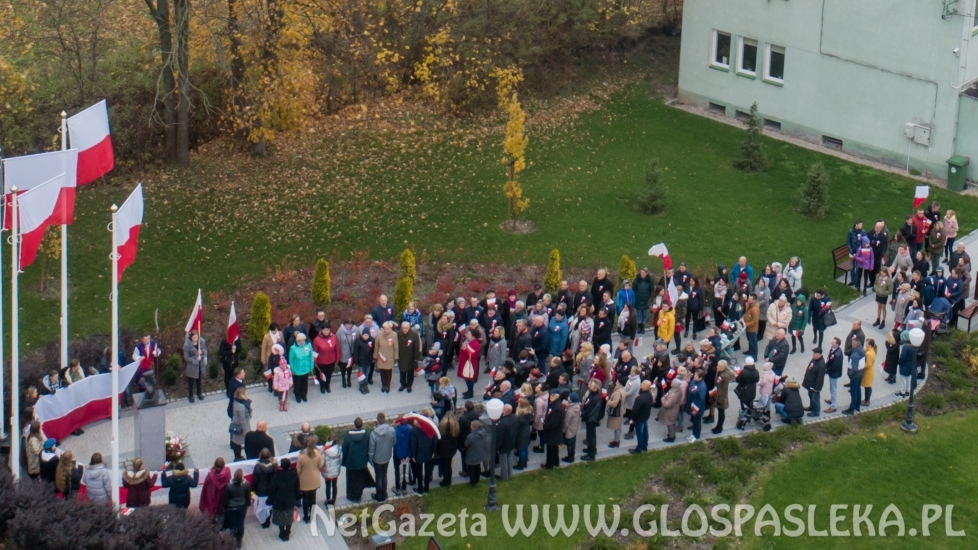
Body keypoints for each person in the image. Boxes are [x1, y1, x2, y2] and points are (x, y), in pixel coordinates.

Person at [269, 457, 300, 541]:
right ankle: (287, 532)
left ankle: (282, 532)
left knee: (281, 517)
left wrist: (269, 500)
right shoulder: (294, 475)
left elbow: (272, 489)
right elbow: (297, 488)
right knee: (289, 516)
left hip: (279, 500)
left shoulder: (277, 476)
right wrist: (297, 497)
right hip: (290, 499)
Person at [369, 412, 396, 502]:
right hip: (387, 456)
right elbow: (394, 442)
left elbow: (371, 449)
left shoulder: (374, 434)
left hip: (377, 458)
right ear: (385, 419)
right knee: (384, 475)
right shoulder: (391, 430)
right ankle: (384, 493)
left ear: (377, 421)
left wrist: (370, 460)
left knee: (379, 476)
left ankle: (379, 495)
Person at [222, 469, 252, 548]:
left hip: (231, 508)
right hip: (242, 507)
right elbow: (248, 496)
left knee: (232, 525)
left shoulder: (229, 485)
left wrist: (224, 507)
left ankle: (233, 541)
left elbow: (226, 498)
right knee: (240, 524)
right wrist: (248, 504)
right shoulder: (247, 484)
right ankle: (239, 542)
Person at [342, 417, 370, 502]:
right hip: (362, 461)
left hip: (351, 462)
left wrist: (344, 461)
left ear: (354, 425)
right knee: (360, 479)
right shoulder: (366, 434)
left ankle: (351, 495)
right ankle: (358, 496)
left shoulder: (348, 436)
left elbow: (344, 449)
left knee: (351, 479)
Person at [297, 437, 323, 523]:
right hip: (314, 479)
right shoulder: (318, 454)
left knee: (305, 498)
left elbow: (298, 469)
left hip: (304, 480)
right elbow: (320, 466)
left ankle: (306, 516)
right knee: (313, 497)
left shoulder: (301, 456)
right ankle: (312, 515)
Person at [410, 412, 437, 494]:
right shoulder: (432, 428)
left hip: (419, 453)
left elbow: (413, 444)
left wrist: (413, 455)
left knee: (419, 471)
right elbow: (435, 440)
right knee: (428, 471)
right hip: (429, 452)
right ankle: (426, 487)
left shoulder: (415, 430)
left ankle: (420, 488)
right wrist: (434, 451)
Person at [199, 457, 231, 522]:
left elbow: (205, 489)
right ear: (223, 465)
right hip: (223, 496)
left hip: (213, 497)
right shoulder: (227, 473)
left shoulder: (210, 476)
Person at [252, 449, 278, 528]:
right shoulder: (274, 465)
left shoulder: (257, 466)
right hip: (271, 489)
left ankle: (263, 522)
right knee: (269, 506)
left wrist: (253, 489)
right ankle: (268, 520)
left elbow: (255, 479)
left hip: (261, 490)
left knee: (261, 506)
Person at [540, 391, 565, 469]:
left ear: (557, 396)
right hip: (552, 431)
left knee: (551, 448)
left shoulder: (557, 408)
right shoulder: (553, 404)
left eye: (553, 395)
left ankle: (549, 465)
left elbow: (554, 423)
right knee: (554, 447)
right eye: (550, 395)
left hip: (553, 432)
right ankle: (555, 462)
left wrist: (545, 425)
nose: (551, 397)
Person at [313, 322, 339, 394]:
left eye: (327, 329)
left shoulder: (334, 337)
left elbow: (337, 348)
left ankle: (327, 385)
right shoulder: (317, 339)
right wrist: (315, 361)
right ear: (321, 330)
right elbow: (315, 352)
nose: (326, 331)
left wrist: (337, 358)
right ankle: (322, 386)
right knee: (322, 375)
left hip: (331, 360)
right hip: (321, 361)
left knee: (329, 374)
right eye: (324, 330)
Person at [842, 336, 866, 416]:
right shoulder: (861, 350)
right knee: (858, 390)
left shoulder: (855, 354)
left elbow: (854, 368)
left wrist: (850, 374)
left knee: (854, 392)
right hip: (860, 374)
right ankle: (857, 405)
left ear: (855, 345)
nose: (851, 344)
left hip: (855, 375)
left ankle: (851, 409)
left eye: (852, 343)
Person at [374, 321, 400, 393]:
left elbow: (396, 347)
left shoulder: (394, 335)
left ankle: (388, 385)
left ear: (390, 328)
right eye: (385, 329)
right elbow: (376, 346)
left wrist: (396, 356)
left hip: (389, 356)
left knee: (388, 372)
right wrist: (375, 356)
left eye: (388, 329)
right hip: (381, 356)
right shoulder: (379, 334)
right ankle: (383, 385)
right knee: (382, 372)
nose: (386, 330)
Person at [396, 321, 421, 393]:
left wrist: (416, 359)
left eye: (406, 328)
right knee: (402, 371)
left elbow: (417, 347)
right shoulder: (398, 334)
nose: (404, 329)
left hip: (410, 356)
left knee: (410, 372)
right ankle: (403, 384)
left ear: (409, 328)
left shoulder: (414, 334)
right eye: (403, 328)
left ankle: (409, 385)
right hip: (401, 356)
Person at [629, 380, 654, 452]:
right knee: (645, 431)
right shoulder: (649, 395)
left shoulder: (640, 398)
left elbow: (635, 410)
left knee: (639, 433)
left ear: (645, 386)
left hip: (639, 418)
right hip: (645, 416)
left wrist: (632, 418)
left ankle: (639, 448)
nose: (641, 384)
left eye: (642, 384)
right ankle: (645, 445)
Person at [289, 332, 314, 403]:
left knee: (305, 383)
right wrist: (292, 369)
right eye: (300, 340)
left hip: (306, 369)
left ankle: (304, 395)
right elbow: (291, 359)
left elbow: (311, 356)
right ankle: (298, 396)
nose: (301, 342)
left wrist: (311, 366)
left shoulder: (308, 345)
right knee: (297, 384)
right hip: (297, 369)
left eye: (303, 340)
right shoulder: (293, 348)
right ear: (297, 341)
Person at [711, 360, 735, 434]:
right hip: (721, 394)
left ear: (723, 368)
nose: (717, 367)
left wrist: (719, 398)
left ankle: (719, 427)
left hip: (721, 396)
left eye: (719, 366)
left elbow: (720, 386)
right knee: (721, 411)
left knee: (721, 412)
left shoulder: (723, 376)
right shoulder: (724, 372)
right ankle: (718, 427)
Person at [457, 328, 482, 399]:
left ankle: (471, 392)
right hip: (465, 362)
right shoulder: (468, 341)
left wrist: (466, 348)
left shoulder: (475, 344)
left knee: (469, 378)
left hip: (470, 364)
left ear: (473, 336)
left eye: (469, 334)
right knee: (466, 378)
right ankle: (469, 390)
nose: (467, 335)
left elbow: (472, 355)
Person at [801, 347, 826, 417]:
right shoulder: (815, 359)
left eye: (814, 354)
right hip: (810, 384)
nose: (813, 355)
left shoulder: (821, 365)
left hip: (814, 386)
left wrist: (816, 388)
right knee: (810, 396)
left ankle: (816, 412)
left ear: (819, 355)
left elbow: (820, 378)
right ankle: (811, 407)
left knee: (815, 398)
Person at [183, 330, 207, 402]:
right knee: (191, 381)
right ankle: (191, 395)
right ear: (191, 338)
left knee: (199, 380)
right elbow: (186, 358)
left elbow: (205, 351)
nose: (196, 339)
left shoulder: (201, 343)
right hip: (192, 366)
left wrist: (201, 352)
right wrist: (196, 358)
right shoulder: (187, 346)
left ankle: (199, 393)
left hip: (200, 365)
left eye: (197, 337)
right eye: (194, 337)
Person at [436, 414, 460, 486]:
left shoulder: (442, 427)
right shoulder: (455, 427)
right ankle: (449, 480)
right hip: (452, 449)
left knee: (445, 465)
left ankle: (446, 481)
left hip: (443, 449)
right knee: (449, 465)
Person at [229, 387, 252, 461]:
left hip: (236, 423)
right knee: (239, 441)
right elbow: (242, 420)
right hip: (241, 426)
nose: (247, 393)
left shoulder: (236, 400)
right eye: (246, 392)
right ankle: (238, 457)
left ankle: (237, 455)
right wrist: (245, 431)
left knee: (236, 441)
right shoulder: (241, 406)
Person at [496, 404, 518, 480]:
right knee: (510, 459)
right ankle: (509, 473)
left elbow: (499, 437)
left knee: (503, 461)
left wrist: (497, 447)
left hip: (504, 445)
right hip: (511, 441)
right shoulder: (514, 417)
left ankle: (504, 477)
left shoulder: (502, 423)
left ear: (505, 411)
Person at [463, 420, 488, 485]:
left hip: (472, 454)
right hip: (480, 452)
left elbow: (466, 444)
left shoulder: (470, 436)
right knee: (477, 466)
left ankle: (473, 482)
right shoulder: (483, 432)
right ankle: (477, 479)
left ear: (473, 427)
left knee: (472, 469)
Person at [686, 371, 707, 443]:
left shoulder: (702, 387)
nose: (694, 377)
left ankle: (696, 436)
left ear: (700, 378)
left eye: (696, 376)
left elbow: (701, 400)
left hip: (697, 408)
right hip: (692, 405)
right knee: (694, 421)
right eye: (695, 375)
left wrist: (696, 410)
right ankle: (693, 434)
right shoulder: (694, 381)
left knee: (697, 422)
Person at [560, 391, 581, 463]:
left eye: (569, 397)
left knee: (569, 444)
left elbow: (566, 422)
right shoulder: (577, 406)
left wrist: (563, 430)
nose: (568, 397)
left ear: (571, 400)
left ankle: (569, 457)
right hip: (574, 428)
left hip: (569, 429)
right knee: (573, 442)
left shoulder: (569, 410)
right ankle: (572, 455)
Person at [606, 380, 627, 448]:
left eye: (617, 382)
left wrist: (608, 401)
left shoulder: (618, 393)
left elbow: (614, 403)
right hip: (620, 410)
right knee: (617, 427)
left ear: (620, 384)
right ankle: (616, 440)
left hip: (617, 412)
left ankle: (616, 441)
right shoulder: (622, 390)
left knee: (617, 427)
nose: (616, 383)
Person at [354, 328, 375, 393]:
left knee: (367, 373)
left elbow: (373, 350)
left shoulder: (372, 340)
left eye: (367, 335)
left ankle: (365, 384)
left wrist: (372, 358)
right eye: (364, 335)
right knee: (361, 374)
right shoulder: (358, 341)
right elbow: (355, 352)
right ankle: (361, 385)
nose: (365, 337)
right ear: (362, 335)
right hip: (361, 361)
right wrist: (356, 361)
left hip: (368, 361)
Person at [862, 338, 877, 407]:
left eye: (867, 343)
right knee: (867, 386)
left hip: (868, 373)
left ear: (870, 345)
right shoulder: (870, 350)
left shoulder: (869, 354)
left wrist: (860, 366)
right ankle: (866, 399)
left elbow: (867, 364)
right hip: (869, 371)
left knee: (867, 387)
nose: (865, 344)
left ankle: (867, 401)